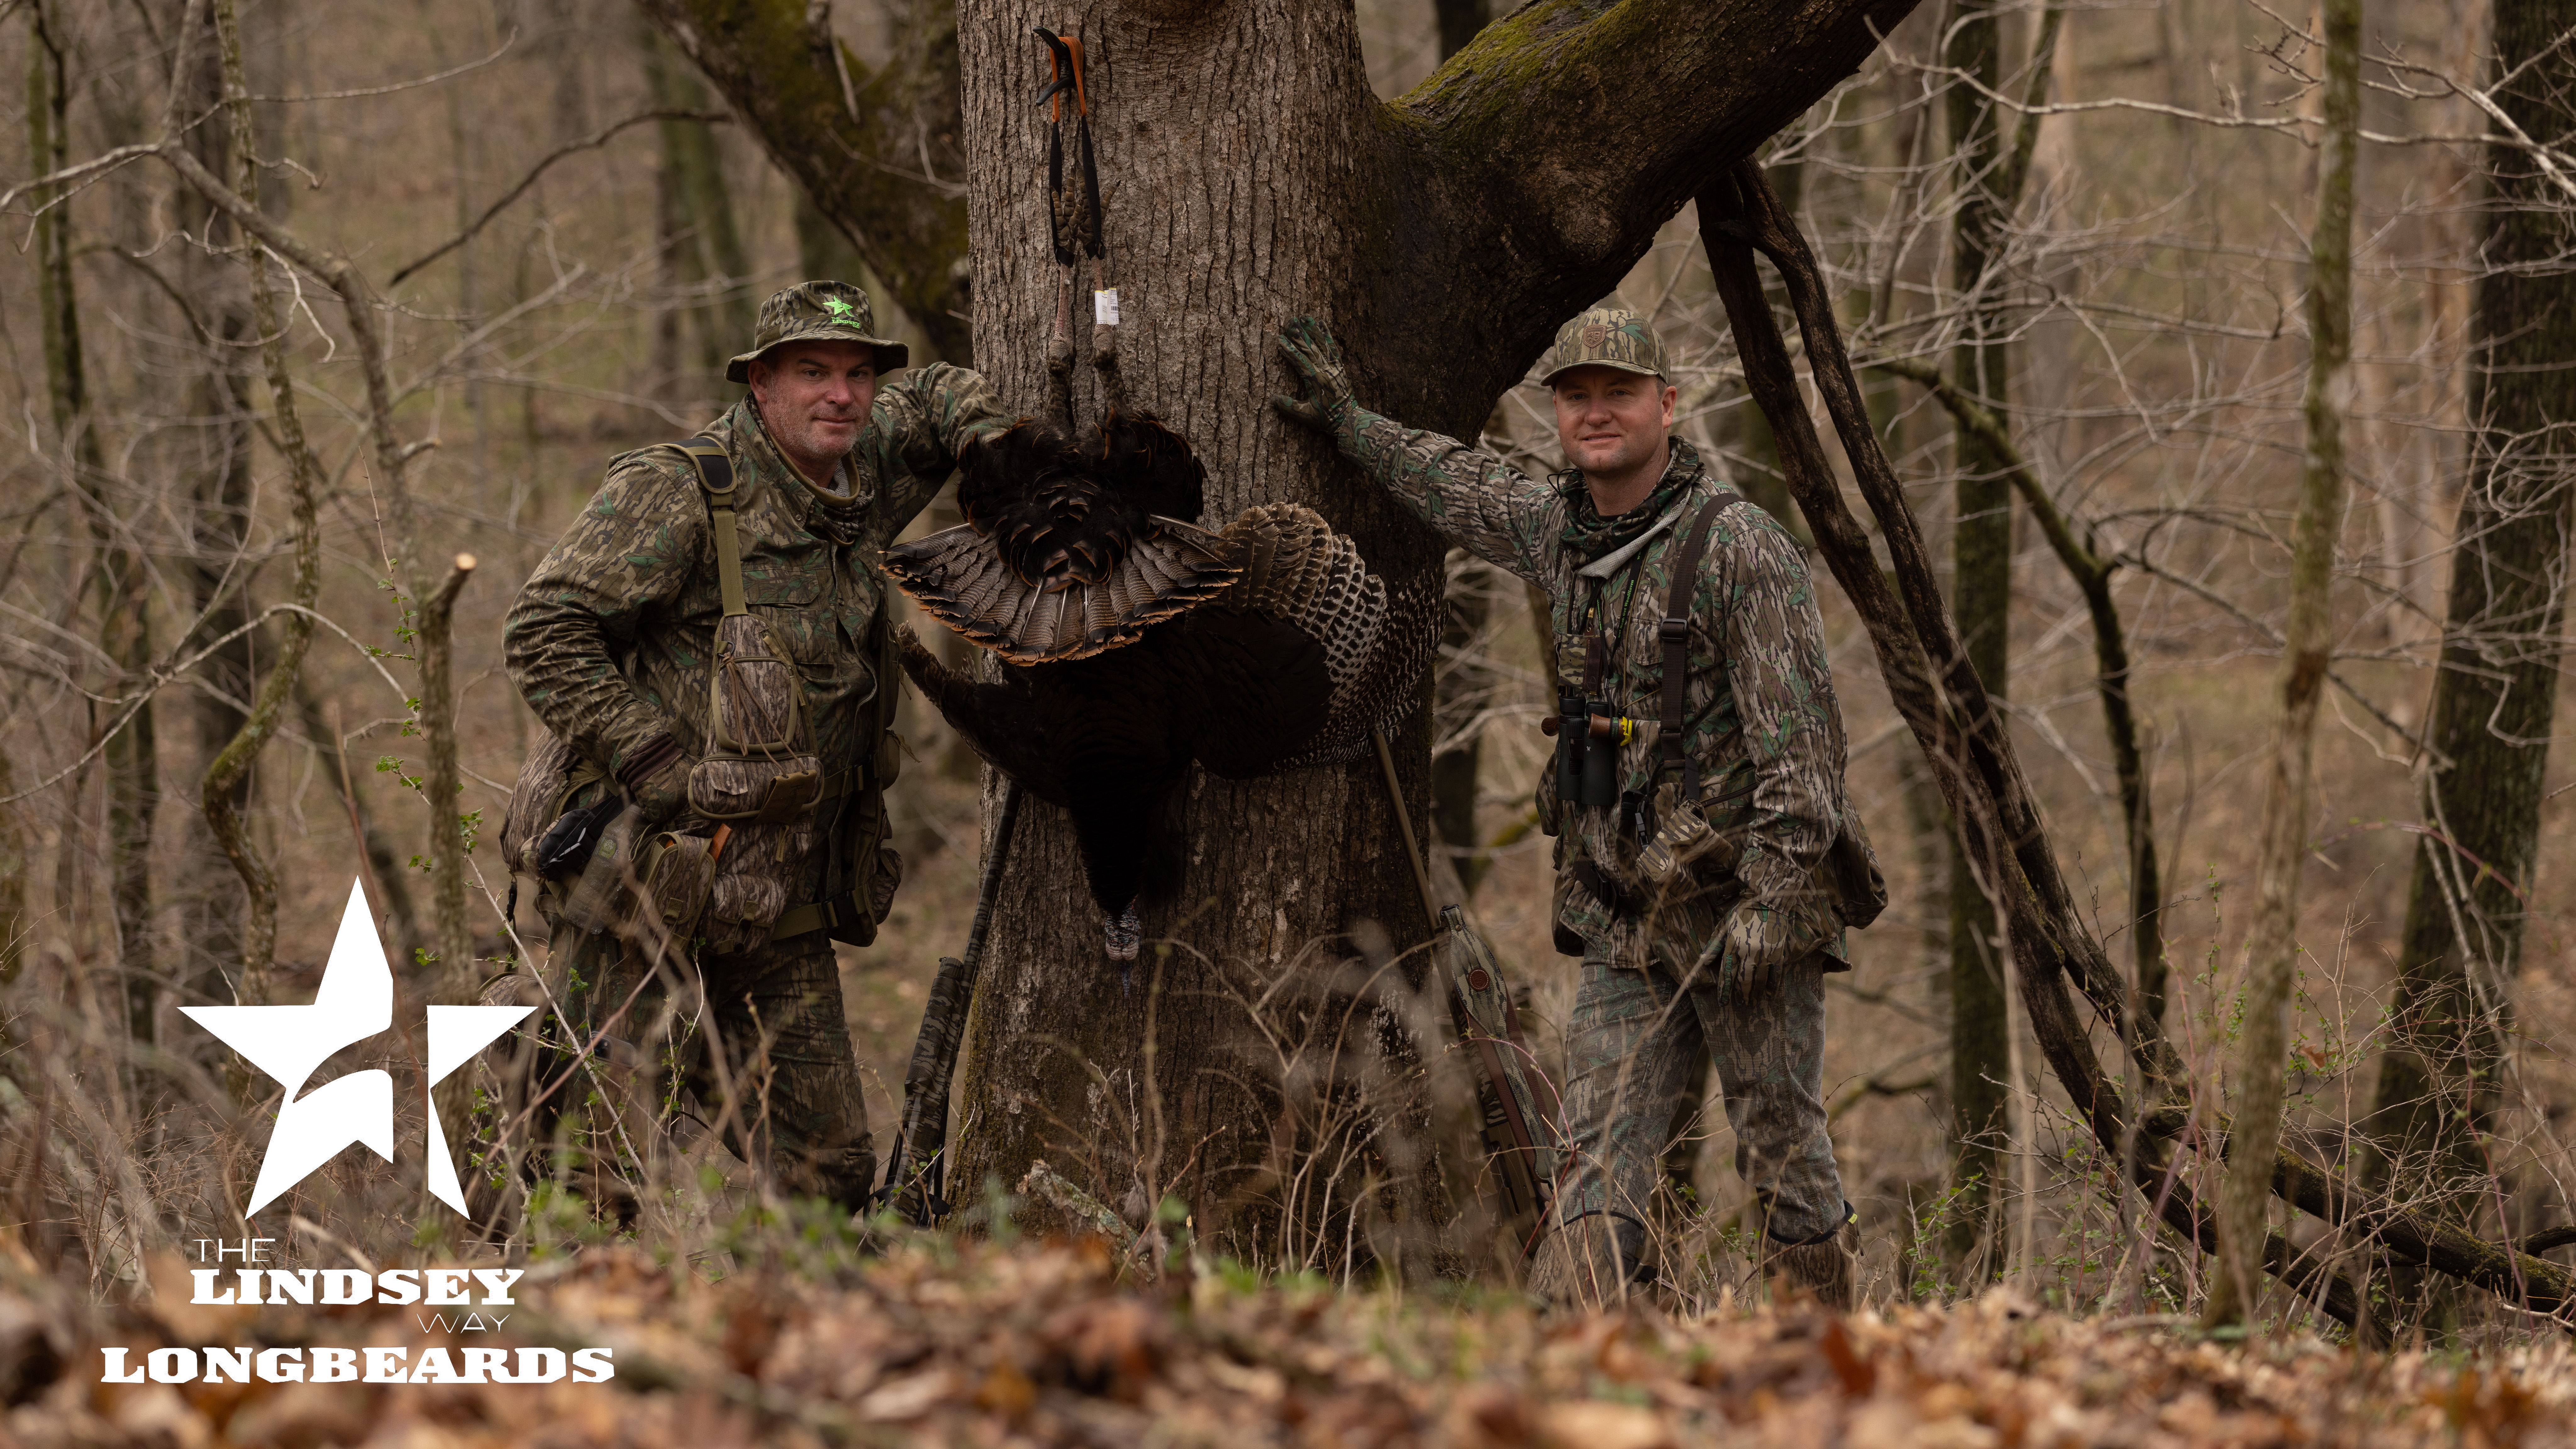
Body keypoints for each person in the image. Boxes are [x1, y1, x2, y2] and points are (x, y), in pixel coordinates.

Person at [1271, 308, 1881, 1308]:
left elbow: (1807, 756)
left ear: (1667, 405)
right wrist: (1346, 422)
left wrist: (1771, 906)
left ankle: (1824, 1357)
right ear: (1556, 412)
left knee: (1781, 1145)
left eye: (1620, 393)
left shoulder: (1742, 550)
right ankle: (1581, 1371)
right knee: (1596, 1159)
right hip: (1625, 916)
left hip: (1749, 910)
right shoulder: (1558, 525)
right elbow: (1454, 481)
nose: (1597, 414)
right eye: (1576, 396)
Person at [502, 280, 1007, 1213]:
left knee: (830, 1170)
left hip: (776, 890)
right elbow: (543, 627)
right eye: (812, 372)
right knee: (591, 1168)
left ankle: (782, 1338)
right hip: (646, 879)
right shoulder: (680, 489)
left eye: (858, 375)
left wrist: (993, 442)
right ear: (760, 384)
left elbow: (937, 394)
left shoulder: (862, 472)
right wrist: (653, 760)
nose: (841, 396)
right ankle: (574, 1335)